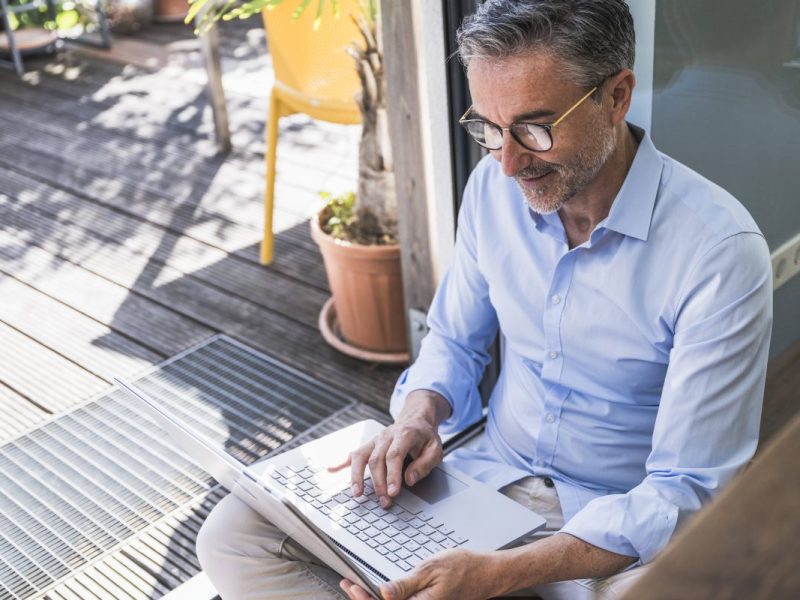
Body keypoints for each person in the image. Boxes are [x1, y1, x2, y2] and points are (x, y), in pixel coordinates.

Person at [196, 1, 773, 598]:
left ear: (617, 95)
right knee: (236, 533)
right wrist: (420, 414)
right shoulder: (491, 192)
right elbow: (453, 340)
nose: (507, 163)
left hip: (613, 535)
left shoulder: (719, 253)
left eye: (534, 127)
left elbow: (686, 488)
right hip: (482, 482)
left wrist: (501, 577)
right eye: (489, 129)